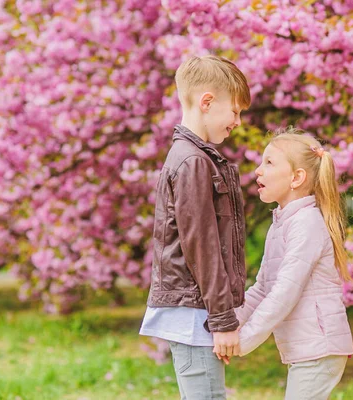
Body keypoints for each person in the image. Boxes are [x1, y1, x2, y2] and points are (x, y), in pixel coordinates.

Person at [139, 54, 250, 400]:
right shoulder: (192, 162)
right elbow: (202, 247)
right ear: (207, 102)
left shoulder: (196, 158)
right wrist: (222, 320)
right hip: (194, 315)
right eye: (235, 111)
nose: (237, 122)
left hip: (197, 311)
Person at [235, 128, 353, 400]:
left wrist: (243, 342)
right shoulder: (281, 224)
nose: (258, 171)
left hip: (320, 348)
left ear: (296, 178)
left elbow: (285, 293)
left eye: (269, 163)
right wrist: (228, 326)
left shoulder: (307, 223)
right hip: (306, 349)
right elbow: (263, 289)